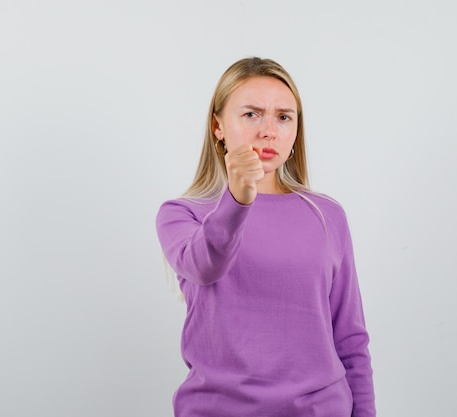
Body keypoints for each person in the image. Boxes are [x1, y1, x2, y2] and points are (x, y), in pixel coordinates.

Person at [155, 57, 375, 417]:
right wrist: (238, 199)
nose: (269, 130)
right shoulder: (183, 214)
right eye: (251, 114)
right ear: (218, 126)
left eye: (284, 117)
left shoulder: (327, 215)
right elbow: (205, 265)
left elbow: (350, 339)